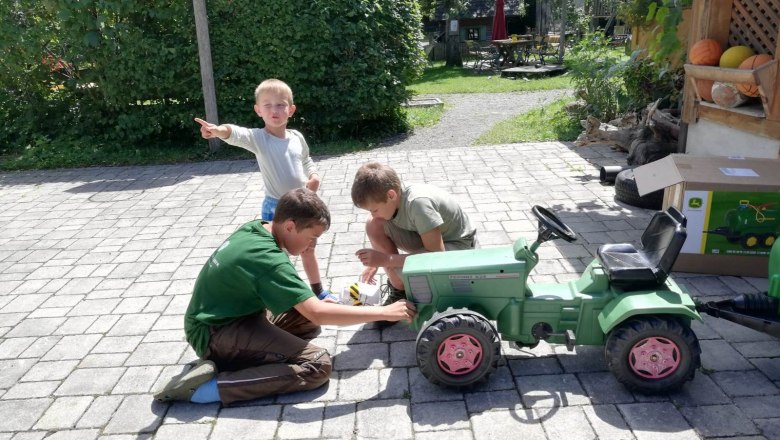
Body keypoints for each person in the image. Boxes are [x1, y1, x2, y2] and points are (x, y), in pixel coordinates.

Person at [154, 188, 416, 405]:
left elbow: (309, 310)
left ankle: (243, 359)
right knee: (317, 366)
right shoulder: (269, 260)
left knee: (306, 321)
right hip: (214, 333)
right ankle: (204, 389)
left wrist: (314, 304)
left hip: (232, 318)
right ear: (290, 226)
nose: (311, 246)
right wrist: (386, 311)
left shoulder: (258, 228)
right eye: (312, 237)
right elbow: (317, 311)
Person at [194, 78, 331, 298]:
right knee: (278, 257)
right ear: (258, 110)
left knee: (308, 249)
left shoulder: (297, 137)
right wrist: (218, 130)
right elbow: (236, 133)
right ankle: (287, 296)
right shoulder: (259, 139)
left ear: (291, 110)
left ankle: (318, 291)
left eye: (280, 105)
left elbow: (306, 160)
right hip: (276, 208)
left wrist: (314, 176)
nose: (274, 110)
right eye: (267, 105)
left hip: (303, 205)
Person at [351, 161, 477, 305]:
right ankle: (399, 288)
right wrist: (374, 264)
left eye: (374, 210)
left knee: (401, 266)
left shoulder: (418, 204)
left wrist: (385, 260)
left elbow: (437, 255)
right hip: (434, 240)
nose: (373, 214)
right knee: (373, 225)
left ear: (391, 195)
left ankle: (407, 288)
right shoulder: (394, 197)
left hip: (459, 247)